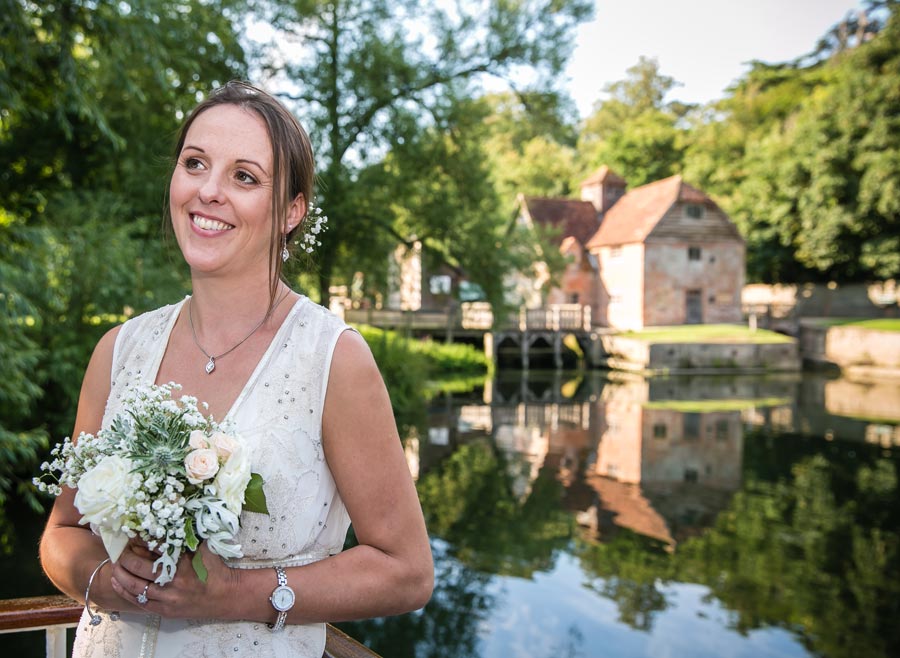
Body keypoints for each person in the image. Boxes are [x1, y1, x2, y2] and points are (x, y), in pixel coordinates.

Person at [38, 80, 434, 657]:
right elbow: (61, 535)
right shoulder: (119, 350)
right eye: (195, 163)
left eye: (244, 177)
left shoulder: (333, 359)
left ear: (291, 211)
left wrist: (231, 595)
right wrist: (111, 581)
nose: (209, 191)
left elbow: (408, 572)